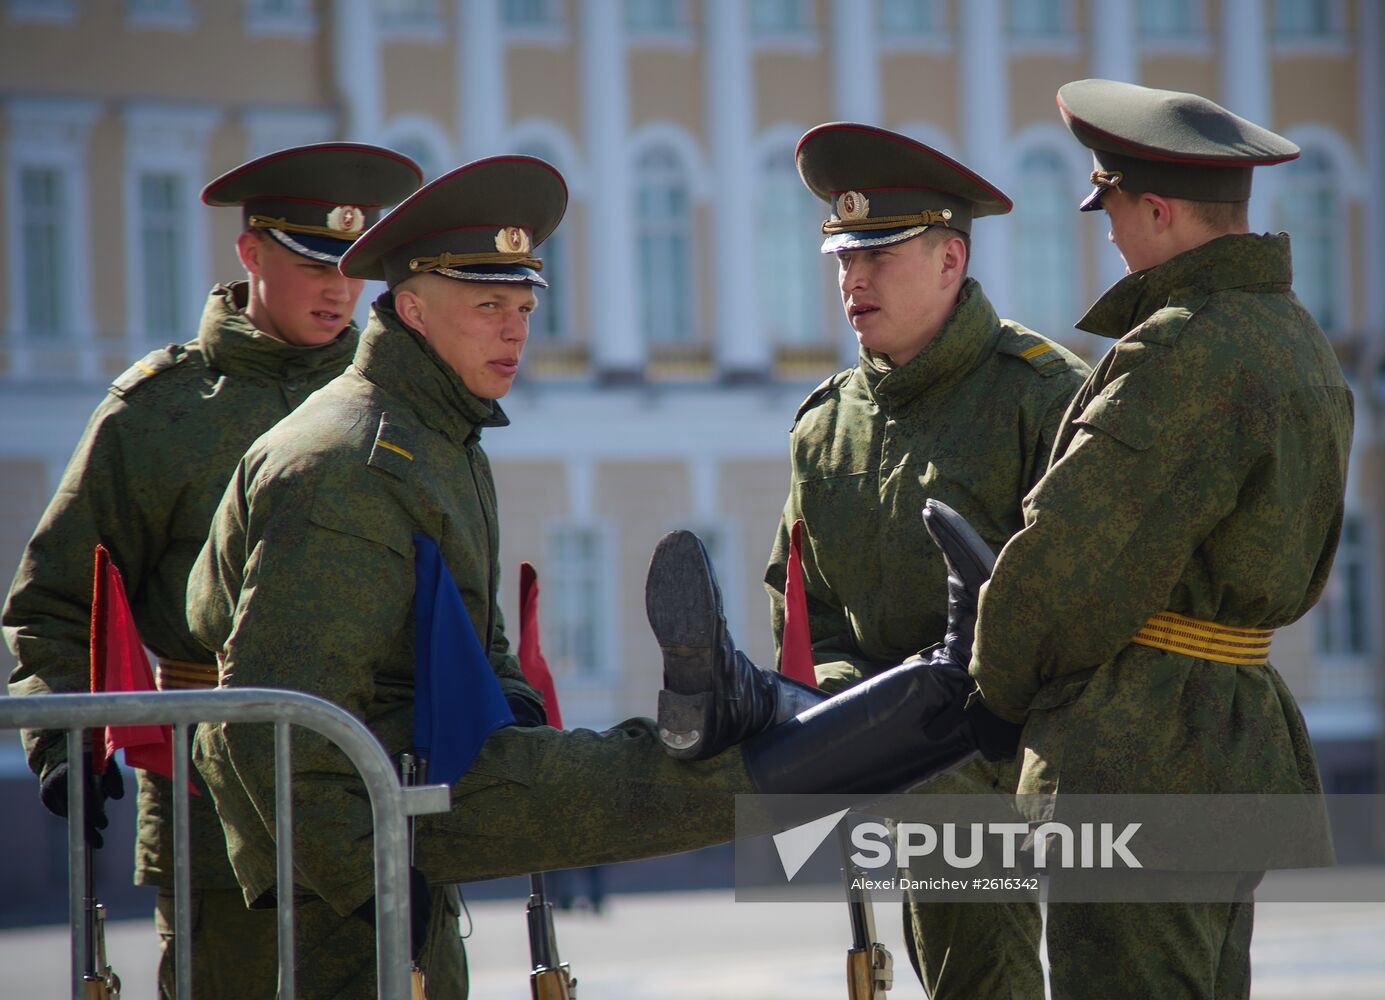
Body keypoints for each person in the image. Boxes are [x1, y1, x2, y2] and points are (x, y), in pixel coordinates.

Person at [185, 155, 985, 999]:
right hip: (354, 850)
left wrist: (518, 732)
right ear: (412, 308)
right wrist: (372, 886)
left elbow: (471, 641)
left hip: (411, 794)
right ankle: (916, 693)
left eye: (524, 308)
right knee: (657, 783)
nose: (514, 332)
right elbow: (278, 720)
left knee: (657, 771)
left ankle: (783, 701)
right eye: (488, 306)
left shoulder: (430, 437)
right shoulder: (352, 460)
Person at [918, 79, 1351, 999]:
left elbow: (1071, 555)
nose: (1107, 234)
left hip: (1141, 750)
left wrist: (996, 694)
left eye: (1109, 207)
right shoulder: (1296, 340)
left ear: (1156, 209)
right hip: (1230, 731)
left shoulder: (1186, 349)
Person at [649, 122, 1088, 999]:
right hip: (896, 759)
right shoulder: (825, 424)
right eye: (843, 258)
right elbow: (806, 608)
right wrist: (854, 714)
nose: (852, 279)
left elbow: (1081, 600)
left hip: (1017, 767)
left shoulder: (1041, 396)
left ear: (949, 260)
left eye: (879, 256)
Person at [3, 142, 422, 999]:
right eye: (315, 264)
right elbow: (53, 601)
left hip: (372, 776)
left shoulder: (400, 402)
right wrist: (60, 740)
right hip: (213, 808)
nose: (340, 290)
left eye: (352, 266)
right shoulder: (158, 412)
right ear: (251, 252)